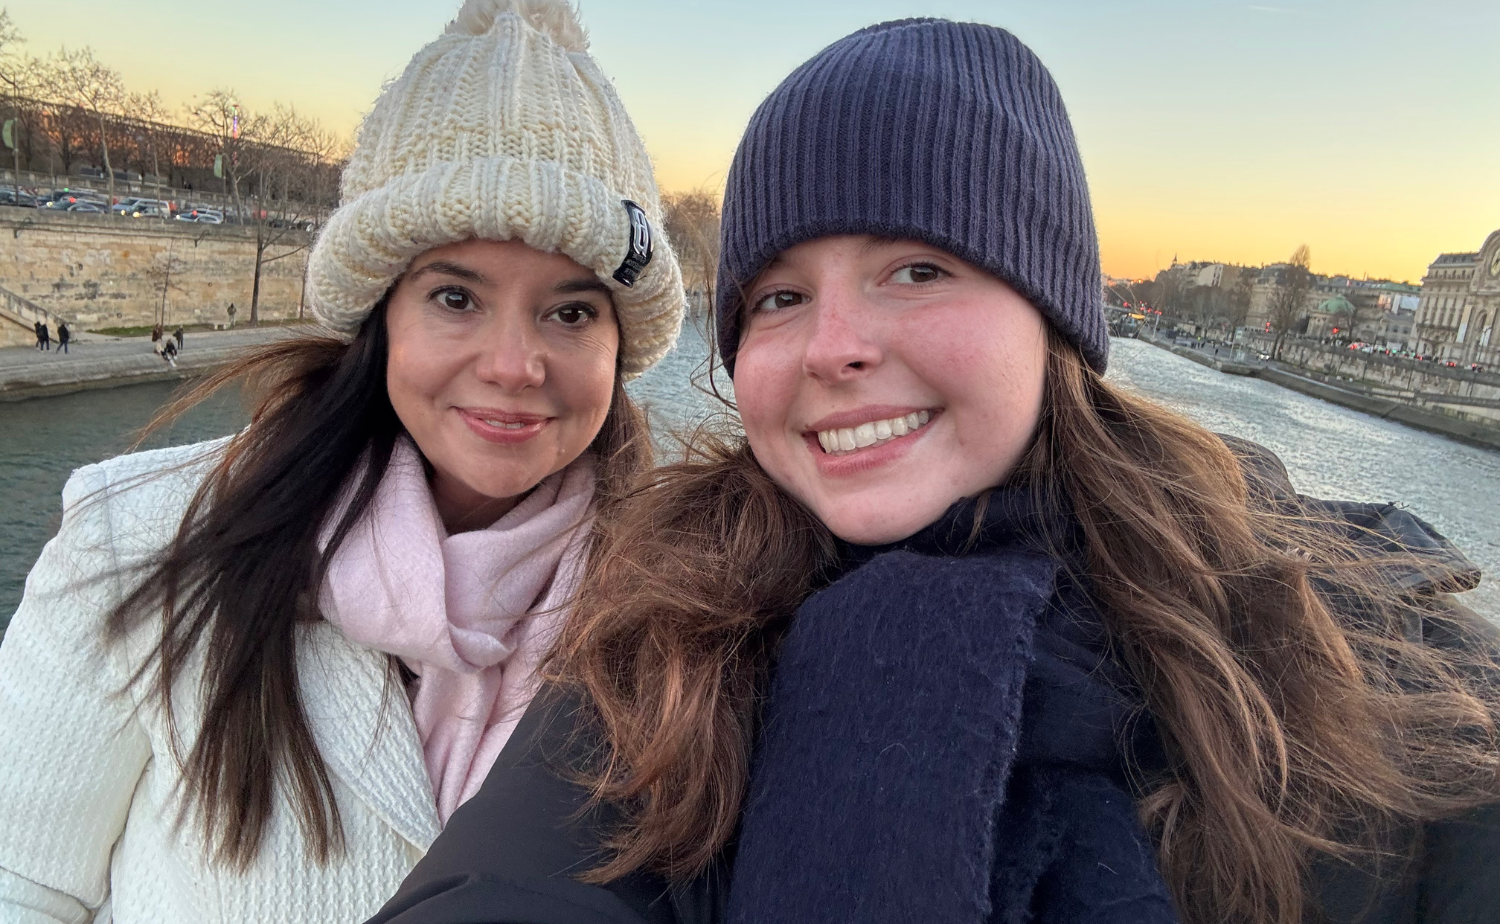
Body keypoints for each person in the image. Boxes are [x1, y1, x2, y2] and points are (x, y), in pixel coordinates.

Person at [375, 17, 1500, 924]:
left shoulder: (1389, 664)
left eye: (916, 269)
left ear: (1052, 318)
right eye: (779, 296)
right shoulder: (667, 630)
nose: (832, 345)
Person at [0, 1, 682, 921]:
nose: (516, 366)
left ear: (619, 343)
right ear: (380, 316)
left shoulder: (686, 607)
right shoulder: (139, 542)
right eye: (455, 298)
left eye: (571, 312)